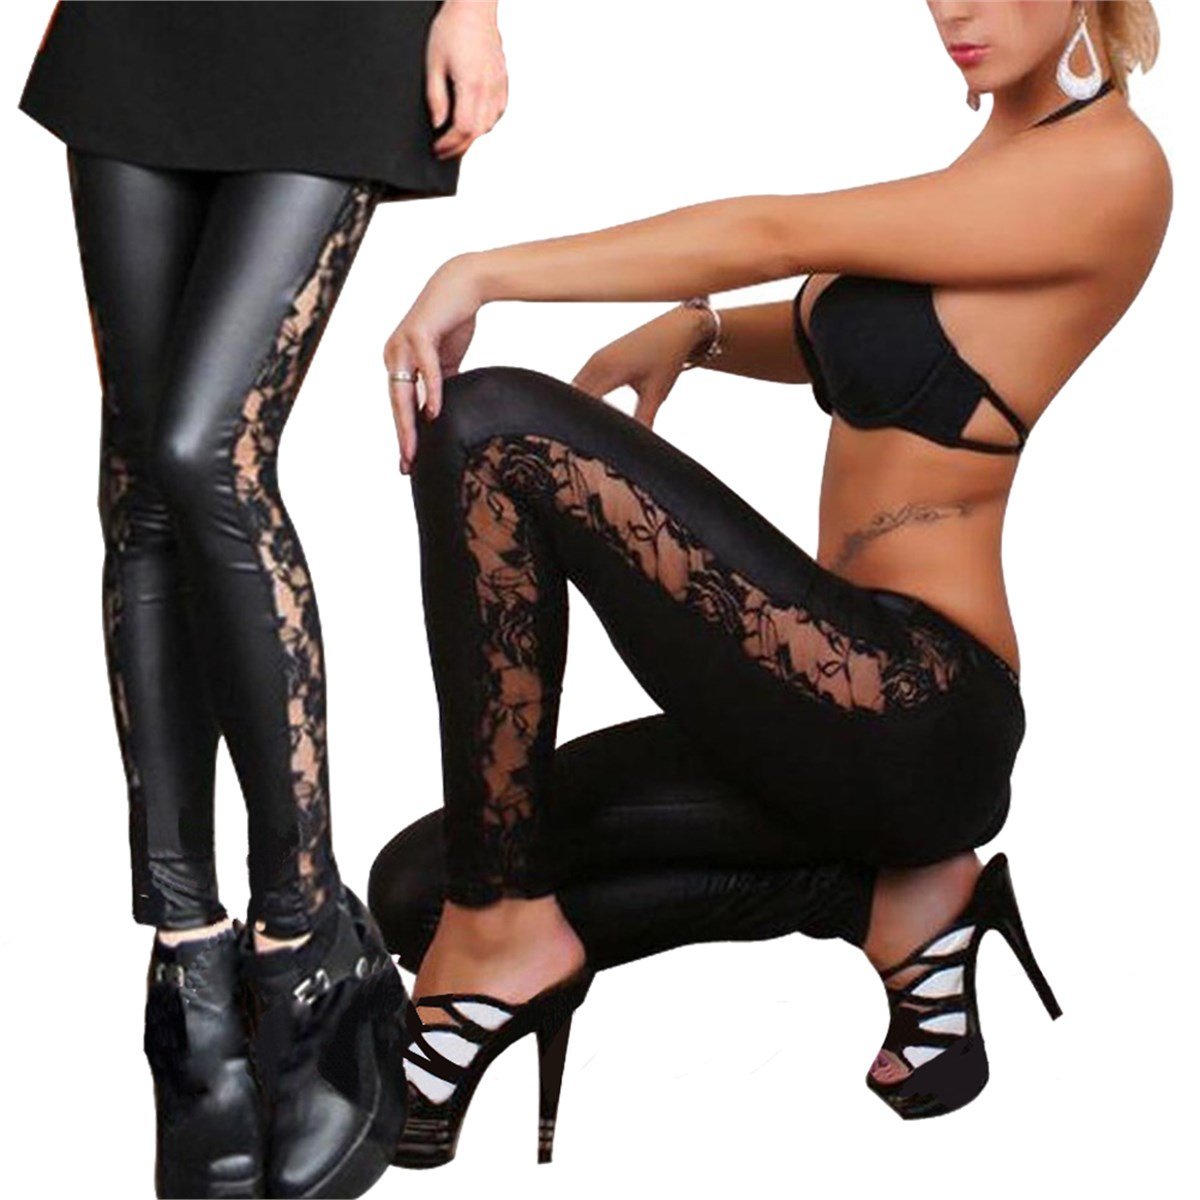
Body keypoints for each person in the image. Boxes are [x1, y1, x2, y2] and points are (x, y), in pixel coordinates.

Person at [368, 0, 1168, 1165]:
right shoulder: (995, 161)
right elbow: (839, 323)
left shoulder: (1110, 166)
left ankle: (499, 937)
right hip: (816, 700)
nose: (954, 6)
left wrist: (482, 271)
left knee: (494, 430)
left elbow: (774, 230)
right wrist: (696, 335)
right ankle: (894, 906)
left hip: (919, 703)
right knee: (413, 893)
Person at [15, 2, 507, 1196]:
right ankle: (189, 963)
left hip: (340, 33)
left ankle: (303, 938)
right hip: (143, 31)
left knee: (204, 452)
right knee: (141, 487)